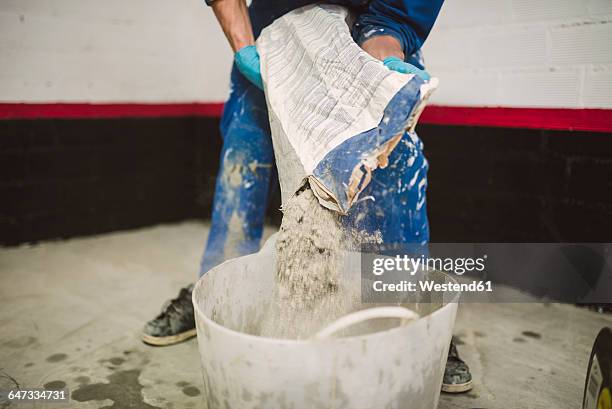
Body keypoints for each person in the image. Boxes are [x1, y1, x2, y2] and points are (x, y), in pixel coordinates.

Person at [142, 0, 473, 393]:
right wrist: (245, 46)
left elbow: (398, 11)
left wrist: (382, 58)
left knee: (396, 166)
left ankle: (413, 316)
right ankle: (217, 298)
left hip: (368, 33)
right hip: (274, 30)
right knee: (244, 157)